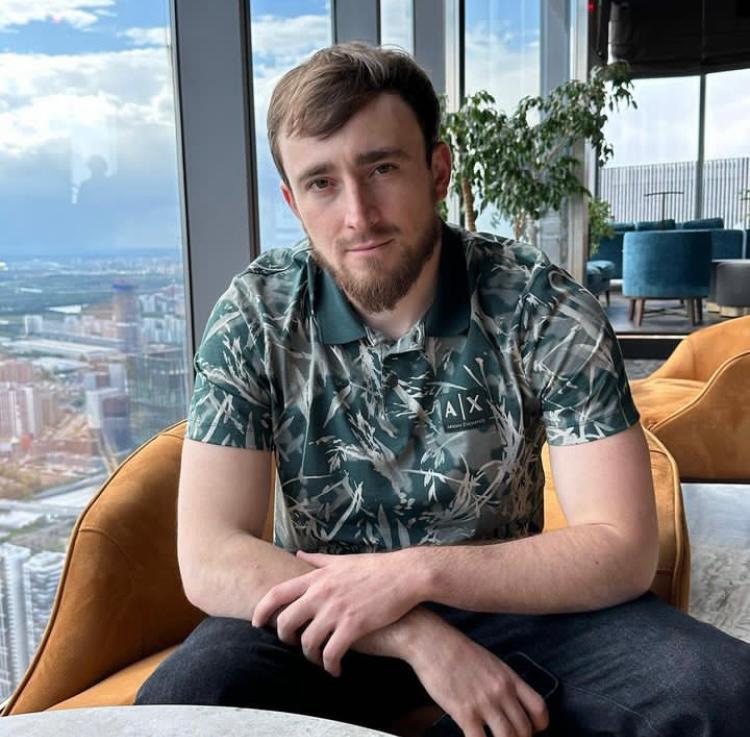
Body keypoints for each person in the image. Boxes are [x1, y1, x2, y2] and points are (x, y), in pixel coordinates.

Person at [135, 43, 750, 736]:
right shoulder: (257, 314)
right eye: (322, 183)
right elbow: (210, 552)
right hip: (321, 606)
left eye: (382, 168)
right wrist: (414, 634)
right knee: (183, 701)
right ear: (293, 202)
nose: (358, 214)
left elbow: (624, 545)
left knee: (726, 692)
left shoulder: (543, 306)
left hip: (509, 600)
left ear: (437, 170)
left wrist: (414, 574)